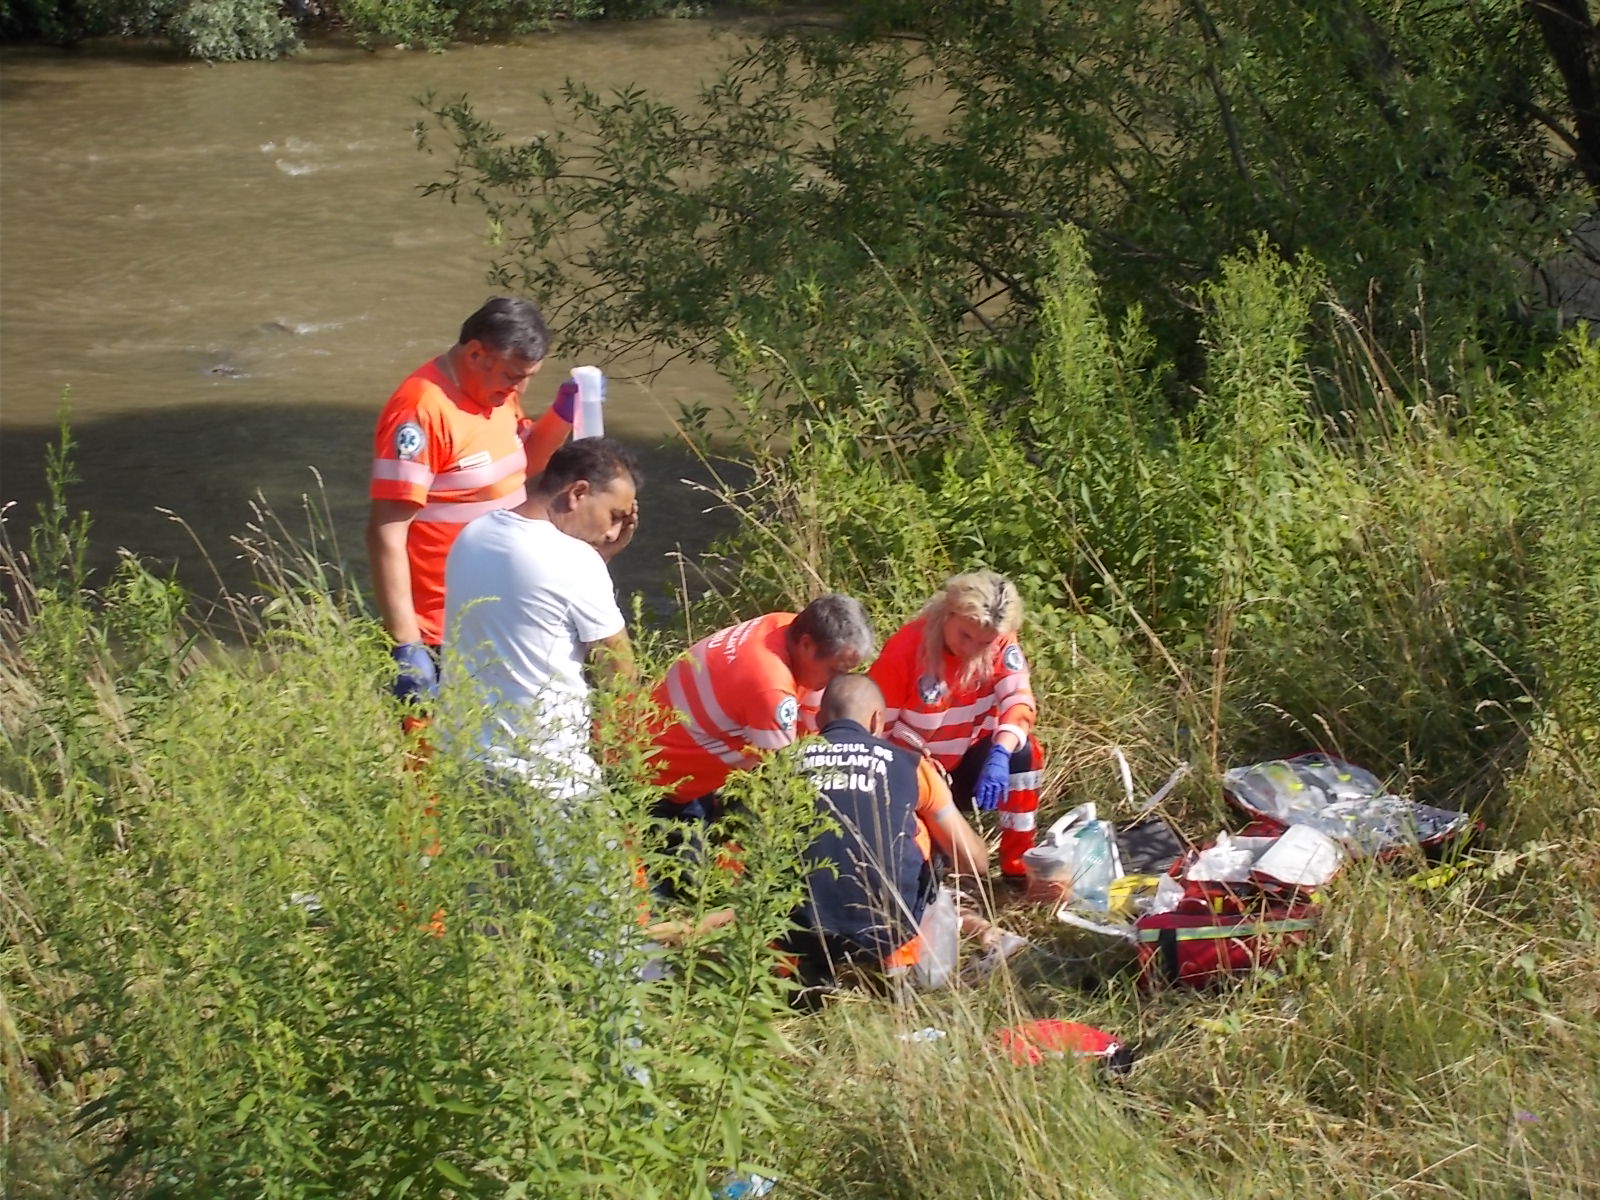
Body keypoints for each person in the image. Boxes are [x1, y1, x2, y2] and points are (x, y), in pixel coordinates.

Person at [367, 296, 576, 705]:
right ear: (476, 353)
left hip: (502, 615)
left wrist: (563, 414)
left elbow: (521, 466)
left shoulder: (495, 392)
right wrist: (406, 644)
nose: (518, 387)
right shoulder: (421, 412)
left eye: (527, 377)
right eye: (513, 376)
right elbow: (385, 532)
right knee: (431, 759)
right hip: (443, 629)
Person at [437, 436, 641, 799]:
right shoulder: (575, 561)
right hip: (547, 777)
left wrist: (602, 559)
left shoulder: (474, 534)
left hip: (464, 766)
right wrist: (627, 760)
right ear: (578, 492)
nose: (613, 533)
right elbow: (618, 669)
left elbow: (538, 612)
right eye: (614, 516)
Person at [784, 674, 990, 991]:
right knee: (919, 827)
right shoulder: (909, 764)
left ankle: (789, 969)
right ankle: (898, 966)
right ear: (878, 721)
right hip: (887, 929)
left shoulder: (780, 764)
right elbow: (974, 862)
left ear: (819, 719)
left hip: (795, 928)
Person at [867, 570, 1044, 879]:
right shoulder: (906, 650)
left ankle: (1018, 866)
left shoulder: (1000, 641)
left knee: (1024, 751)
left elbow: (1019, 701)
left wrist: (1000, 753)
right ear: (949, 613)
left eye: (984, 642)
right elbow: (877, 737)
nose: (973, 648)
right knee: (930, 868)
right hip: (915, 776)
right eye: (965, 635)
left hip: (968, 764)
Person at [646, 595, 877, 811]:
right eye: (834, 671)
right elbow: (782, 777)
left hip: (657, 742)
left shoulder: (785, 625)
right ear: (807, 645)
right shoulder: (769, 688)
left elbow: (812, 725)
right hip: (655, 782)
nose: (837, 683)